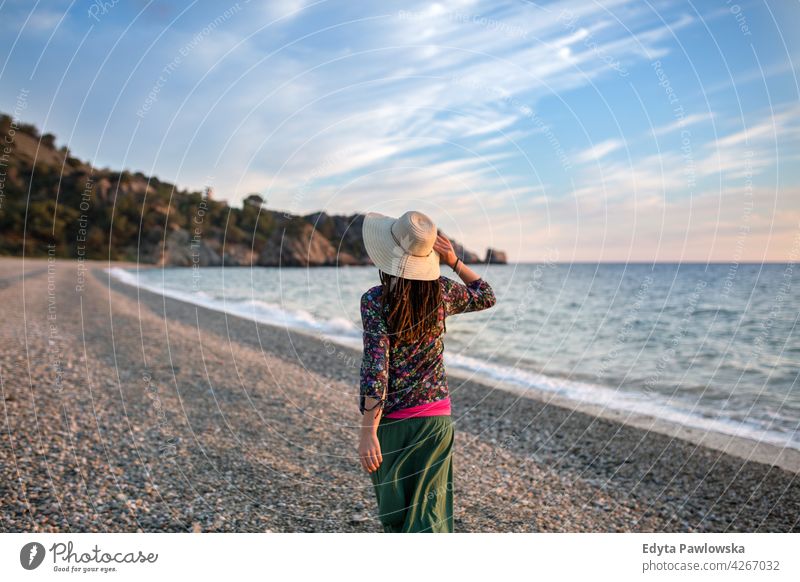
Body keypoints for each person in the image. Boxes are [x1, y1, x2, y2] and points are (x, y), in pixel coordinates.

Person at [357, 210, 497, 533]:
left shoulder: (375, 301)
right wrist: (454, 261)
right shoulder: (443, 292)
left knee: (397, 521)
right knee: (430, 521)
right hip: (436, 423)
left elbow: (377, 367)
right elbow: (486, 295)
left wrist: (367, 430)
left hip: (392, 425)